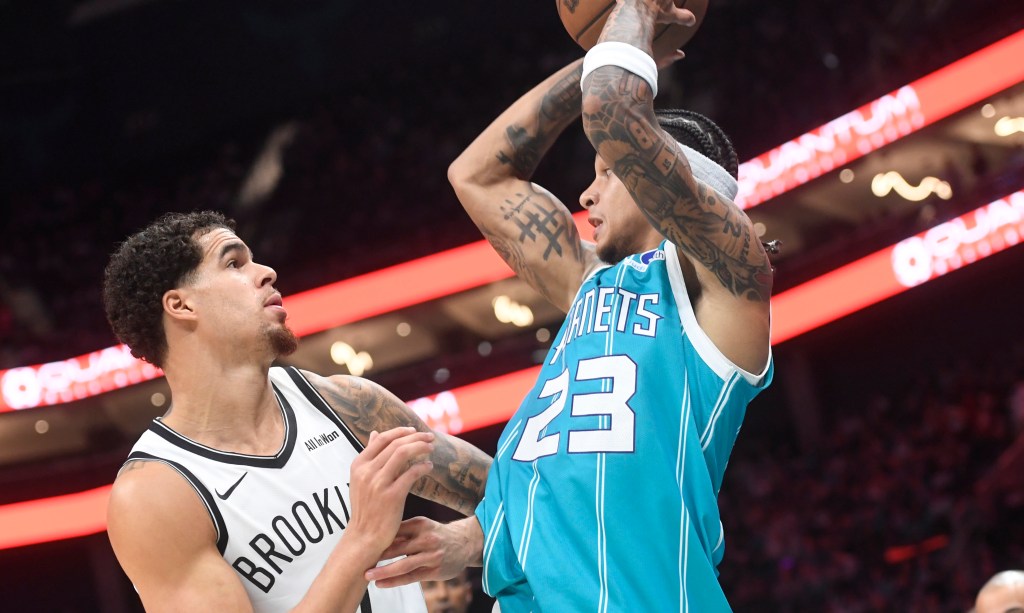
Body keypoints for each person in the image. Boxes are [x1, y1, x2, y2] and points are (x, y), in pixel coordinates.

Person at [368, 1, 773, 610]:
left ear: (660, 173)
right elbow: (476, 176)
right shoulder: (591, 281)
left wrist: (633, 12)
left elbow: (613, 108)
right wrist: (594, 59)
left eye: (608, 172)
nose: (586, 193)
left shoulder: (726, 278)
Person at [103, 211, 492, 612]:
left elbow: (520, 496)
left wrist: (466, 542)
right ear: (181, 305)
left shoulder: (347, 404)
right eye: (234, 263)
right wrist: (362, 539)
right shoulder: (155, 493)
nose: (267, 272)